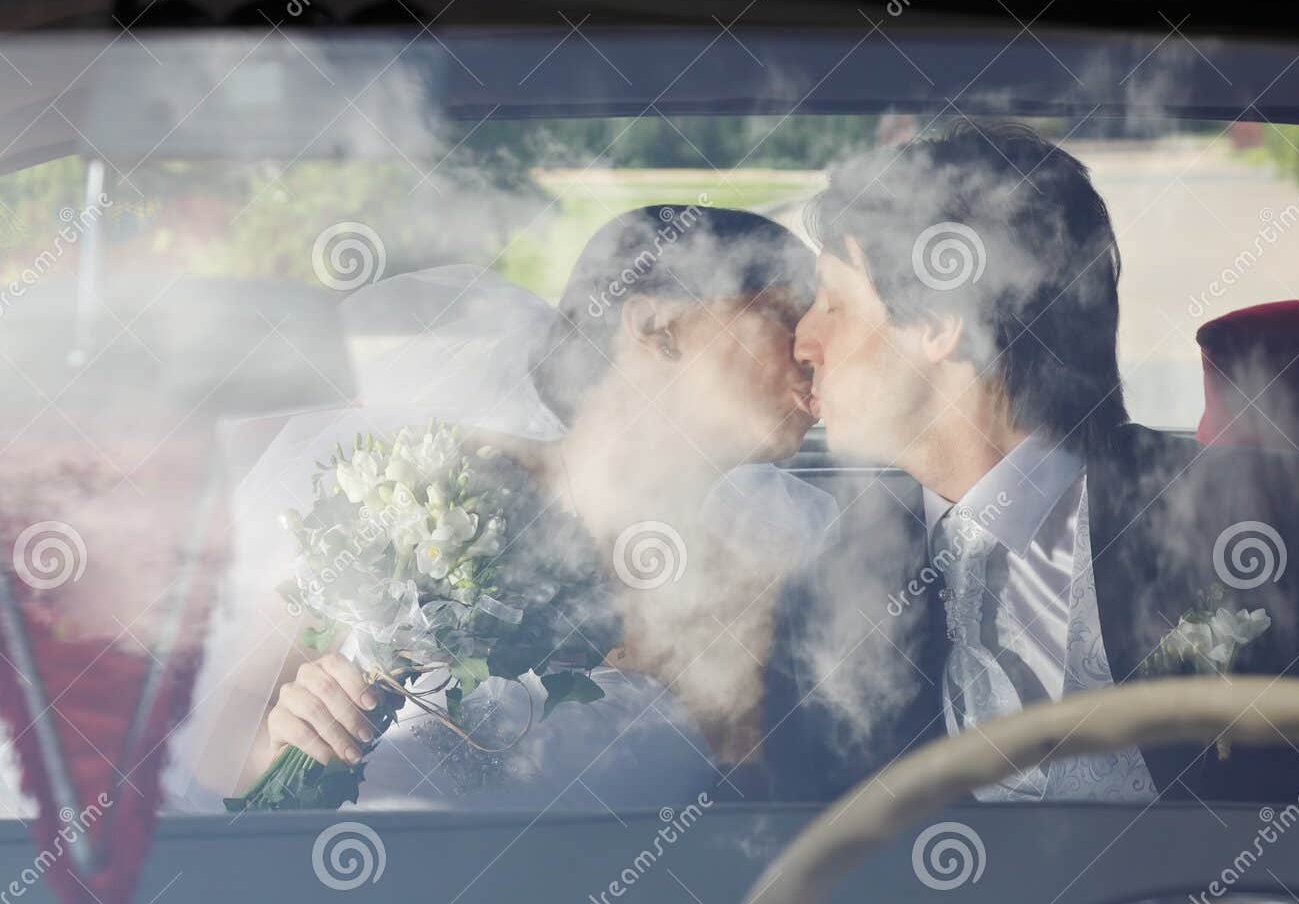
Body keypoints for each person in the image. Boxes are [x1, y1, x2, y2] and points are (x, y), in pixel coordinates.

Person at [784, 118, 1299, 805]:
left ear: (941, 324)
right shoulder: (843, 561)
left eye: (834, 305)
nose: (803, 340)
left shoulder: (1251, 520)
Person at [186, 205, 828, 813]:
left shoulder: (762, 590)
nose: (811, 349)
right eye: (781, 315)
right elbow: (219, 757)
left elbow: (749, 838)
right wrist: (286, 746)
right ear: (655, 327)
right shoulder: (423, 487)